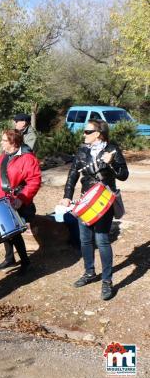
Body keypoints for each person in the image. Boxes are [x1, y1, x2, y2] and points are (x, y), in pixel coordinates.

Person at [59, 119, 128, 300]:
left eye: (88, 131)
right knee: (85, 239)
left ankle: (107, 281)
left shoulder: (112, 149)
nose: (84, 134)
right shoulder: (82, 150)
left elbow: (124, 176)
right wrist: (67, 195)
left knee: (102, 239)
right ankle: (89, 273)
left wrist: (112, 163)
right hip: (85, 199)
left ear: (98, 133)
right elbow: (73, 173)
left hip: (104, 199)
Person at [0, 129, 41, 274]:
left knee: (13, 232)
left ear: (13, 142)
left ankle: (26, 262)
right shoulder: (2, 158)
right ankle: (9, 258)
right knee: (5, 230)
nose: (1, 142)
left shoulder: (27, 158)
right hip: (1, 199)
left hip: (16, 200)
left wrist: (21, 199)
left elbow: (34, 181)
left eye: (4, 140)